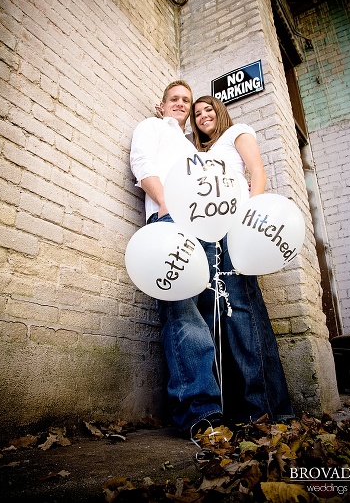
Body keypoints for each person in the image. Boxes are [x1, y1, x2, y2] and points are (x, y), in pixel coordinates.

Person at [191, 95, 294, 424]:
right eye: (197, 114)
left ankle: (265, 409)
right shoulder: (200, 154)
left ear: (219, 112)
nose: (203, 116)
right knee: (220, 318)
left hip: (234, 228)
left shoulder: (238, 132)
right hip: (208, 233)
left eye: (208, 109)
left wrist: (250, 221)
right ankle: (240, 409)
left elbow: (258, 172)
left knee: (243, 312)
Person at [129, 81, 224, 437]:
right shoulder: (152, 127)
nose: (182, 104)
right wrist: (167, 206)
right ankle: (198, 415)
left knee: (203, 315)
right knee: (181, 312)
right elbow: (142, 164)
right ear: (162, 104)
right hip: (169, 222)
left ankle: (209, 408)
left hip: (202, 227)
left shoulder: (192, 147)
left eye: (187, 99)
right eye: (175, 99)